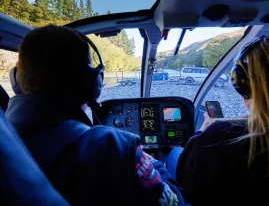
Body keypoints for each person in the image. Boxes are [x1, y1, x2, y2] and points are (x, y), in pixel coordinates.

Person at [5, 25, 184, 206]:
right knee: (176, 154)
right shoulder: (115, 146)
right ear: (91, 81)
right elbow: (175, 203)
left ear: (18, 81)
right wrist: (151, 163)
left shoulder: (5, 143)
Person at [166, 36, 269, 206]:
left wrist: (201, 133)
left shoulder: (220, 136)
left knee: (175, 152)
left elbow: (187, 186)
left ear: (243, 85)